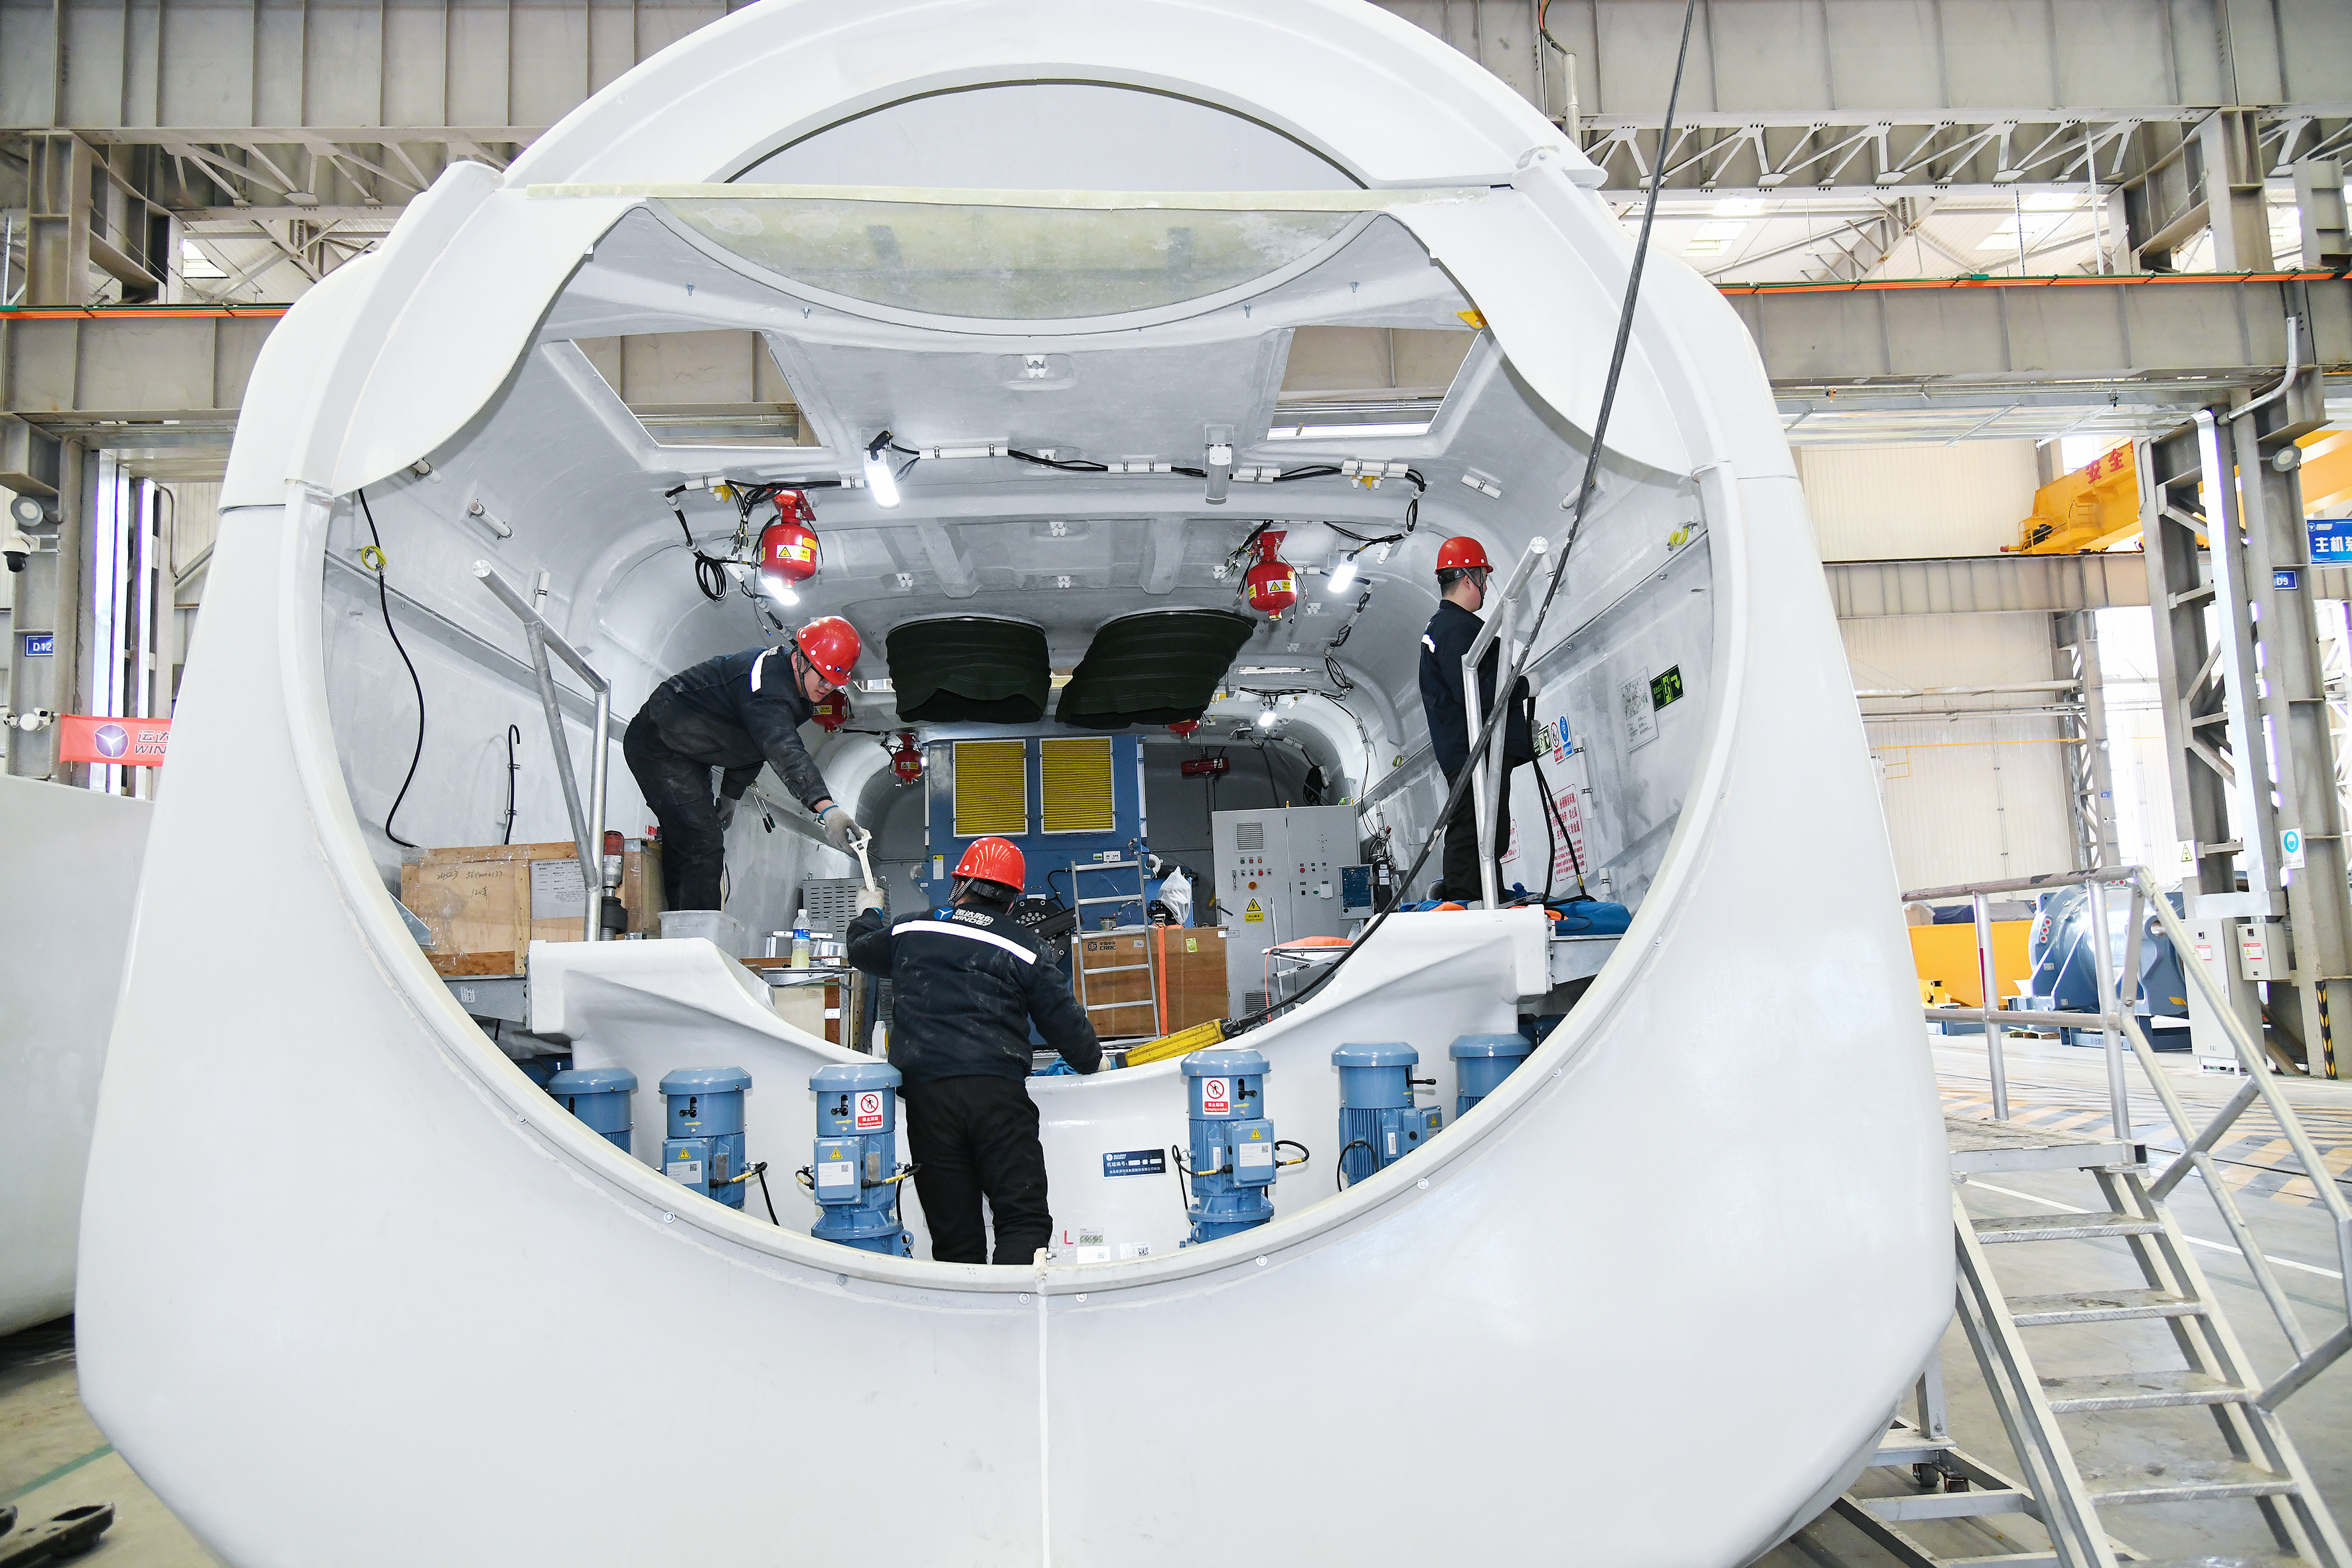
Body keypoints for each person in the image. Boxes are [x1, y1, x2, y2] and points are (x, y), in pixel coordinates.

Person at [847, 836, 1101, 1265]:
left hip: (928, 1102)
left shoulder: (911, 929)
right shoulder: (1023, 946)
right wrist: (1094, 1062)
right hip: (996, 1097)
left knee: (954, 1236)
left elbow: (860, 950)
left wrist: (869, 911)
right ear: (1013, 898)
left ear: (960, 884)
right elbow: (1064, 1022)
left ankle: (966, 1307)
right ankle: (1018, 1305)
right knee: (1022, 1222)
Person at [622, 616, 866, 911]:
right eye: (823, 677)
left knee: (689, 841)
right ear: (800, 659)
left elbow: (753, 746)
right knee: (703, 843)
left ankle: (680, 925)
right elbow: (783, 750)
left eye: (834, 682)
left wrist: (731, 794)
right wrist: (828, 809)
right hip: (659, 742)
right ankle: (697, 935)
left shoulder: (799, 690)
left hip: (692, 753)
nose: (827, 687)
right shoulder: (767, 685)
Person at [1416, 535, 1531, 903]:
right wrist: (1523, 685)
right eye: (1483, 575)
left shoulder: (1447, 627)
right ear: (1470, 578)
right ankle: (1466, 900)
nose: (1485, 583)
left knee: (1486, 827)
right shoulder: (1456, 629)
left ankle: (1483, 894)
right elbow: (1480, 691)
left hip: (1469, 748)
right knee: (1474, 828)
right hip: (1474, 750)